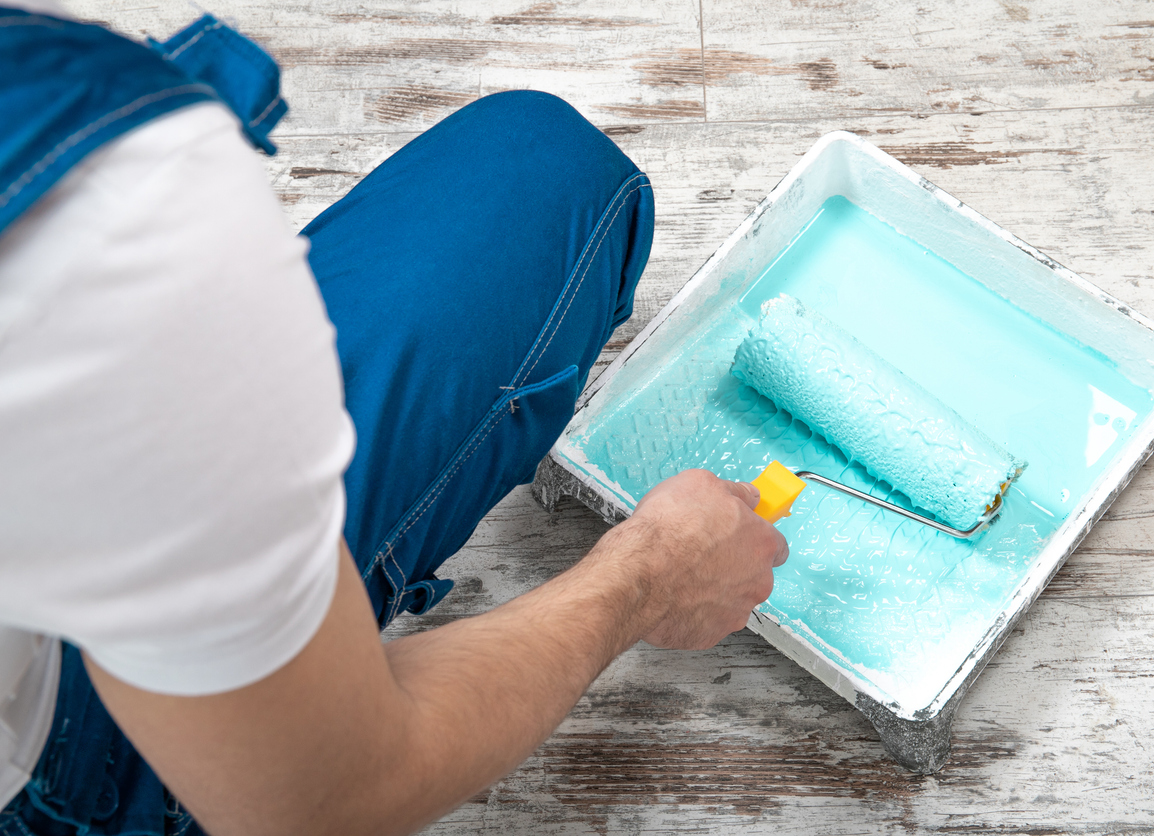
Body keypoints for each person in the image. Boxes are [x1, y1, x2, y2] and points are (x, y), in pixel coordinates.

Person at [0, 6, 788, 836]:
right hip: (55, 780)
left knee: (531, 164)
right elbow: (327, 799)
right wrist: (650, 575)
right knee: (541, 179)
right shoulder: (103, 249)